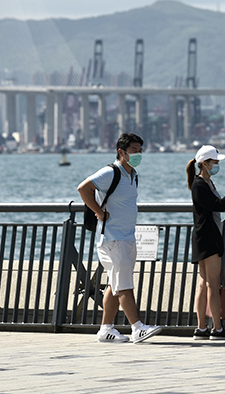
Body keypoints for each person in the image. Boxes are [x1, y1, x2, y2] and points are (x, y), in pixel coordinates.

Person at [77, 133, 162, 344]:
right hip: (113, 238)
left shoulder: (132, 174)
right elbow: (83, 188)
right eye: (134, 150)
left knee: (115, 285)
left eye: (140, 150)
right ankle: (137, 328)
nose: (138, 154)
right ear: (121, 152)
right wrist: (98, 212)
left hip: (126, 236)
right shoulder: (110, 172)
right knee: (124, 284)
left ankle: (106, 329)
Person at [186, 144, 225, 340]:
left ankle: (201, 328)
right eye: (215, 162)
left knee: (204, 284)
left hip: (204, 237)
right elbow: (221, 205)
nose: (217, 165)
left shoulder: (204, 183)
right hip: (209, 238)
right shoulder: (200, 185)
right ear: (204, 163)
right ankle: (217, 329)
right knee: (212, 284)